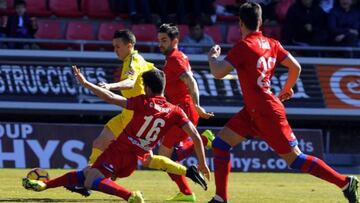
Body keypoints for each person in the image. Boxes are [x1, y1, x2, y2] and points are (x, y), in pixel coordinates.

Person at [207, 2, 359, 203]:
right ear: (260, 22)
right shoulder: (272, 43)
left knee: (295, 159)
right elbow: (295, 67)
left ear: (240, 23)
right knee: (220, 143)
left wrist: (212, 57)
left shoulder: (243, 46)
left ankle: (345, 182)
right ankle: (220, 198)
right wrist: (286, 89)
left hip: (266, 112)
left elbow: (218, 72)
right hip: (255, 110)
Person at [22, 68, 211, 203]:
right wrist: (202, 163)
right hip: (134, 159)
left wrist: (86, 83)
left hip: (120, 150)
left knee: (90, 180)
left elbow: (110, 97)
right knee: (87, 173)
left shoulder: (143, 102)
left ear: (148, 88)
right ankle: (45, 185)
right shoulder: (175, 111)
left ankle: (130, 196)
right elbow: (194, 135)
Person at [155, 23, 214, 201]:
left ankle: (187, 193)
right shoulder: (174, 57)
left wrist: (197, 105)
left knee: (163, 159)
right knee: (165, 158)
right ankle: (204, 139)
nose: (160, 44)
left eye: (164, 40)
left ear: (175, 40)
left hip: (184, 111)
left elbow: (191, 81)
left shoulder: (175, 58)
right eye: (159, 40)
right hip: (176, 112)